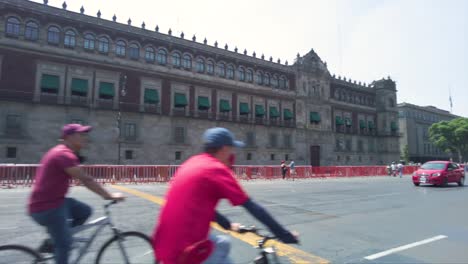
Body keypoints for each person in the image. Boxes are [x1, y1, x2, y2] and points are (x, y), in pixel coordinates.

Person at [152, 127, 298, 264]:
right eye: (231, 149)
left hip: (165, 242)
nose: (232, 154)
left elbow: (201, 206)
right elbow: (251, 206)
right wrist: (284, 234)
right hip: (185, 250)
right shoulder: (215, 169)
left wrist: (228, 225)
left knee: (223, 243)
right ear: (224, 149)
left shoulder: (193, 162)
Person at [28, 124, 124, 264]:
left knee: (85, 211)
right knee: (64, 245)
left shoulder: (65, 152)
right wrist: (108, 196)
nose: (86, 137)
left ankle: (55, 239)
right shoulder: (63, 154)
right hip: (47, 207)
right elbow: (86, 179)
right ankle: (60, 242)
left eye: (86, 134)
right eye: (82, 134)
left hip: (56, 201)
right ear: (69, 137)